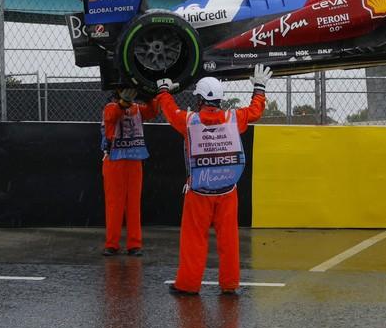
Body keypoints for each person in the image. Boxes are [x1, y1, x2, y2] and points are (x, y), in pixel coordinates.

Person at [155, 65, 272, 296]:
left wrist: (163, 91)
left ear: (199, 99)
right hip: (227, 191)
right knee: (228, 241)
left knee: (194, 240)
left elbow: (169, 110)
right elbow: (255, 111)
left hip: (199, 192)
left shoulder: (188, 120)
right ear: (219, 98)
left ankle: (188, 285)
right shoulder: (233, 118)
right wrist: (259, 88)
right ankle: (229, 284)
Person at [101, 87, 158, 257]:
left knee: (133, 204)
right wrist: (124, 102)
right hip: (114, 161)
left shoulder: (137, 110)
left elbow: (153, 111)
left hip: (134, 160)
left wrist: (148, 95)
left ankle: (134, 244)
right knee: (114, 204)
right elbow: (112, 116)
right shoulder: (110, 107)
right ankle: (112, 244)